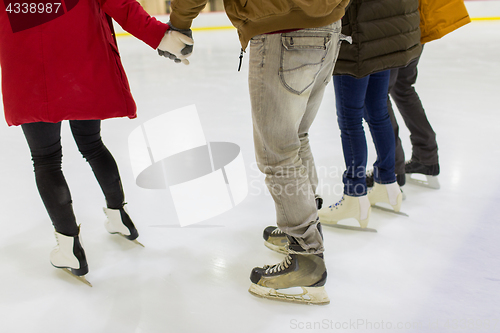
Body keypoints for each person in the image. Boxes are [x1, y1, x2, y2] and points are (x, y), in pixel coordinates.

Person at [165, 0, 349, 304]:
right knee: (296, 135)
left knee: (278, 152)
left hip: (281, 28)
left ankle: (305, 257)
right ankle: (304, 228)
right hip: (328, 26)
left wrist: (180, 21)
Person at [0, 0, 192, 285]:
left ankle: (69, 248)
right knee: (91, 144)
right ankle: (118, 216)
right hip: (80, 63)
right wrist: (161, 36)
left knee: (46, 159)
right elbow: (120, 4)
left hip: (29, 71)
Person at [318, 0, 422, 230]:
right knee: (377, 110)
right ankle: (387, 182)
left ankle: (355, 195)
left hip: (357, 38)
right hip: (385, 36)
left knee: (350, 118)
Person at [367, 0, 471, 190]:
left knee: (379, 94)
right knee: (402, 87)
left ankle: (391, 168)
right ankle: (426, 156)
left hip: (396, 24)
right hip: (414, 23)